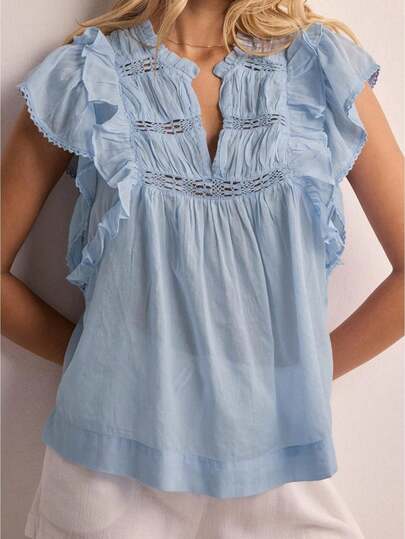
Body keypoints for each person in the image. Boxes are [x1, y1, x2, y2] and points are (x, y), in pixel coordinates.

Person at [1, 0, 403, 537]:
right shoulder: (84, 73)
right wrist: (95, 356)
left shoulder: (320, 67)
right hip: (107, 468)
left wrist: (300, 372)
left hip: (279, 463)